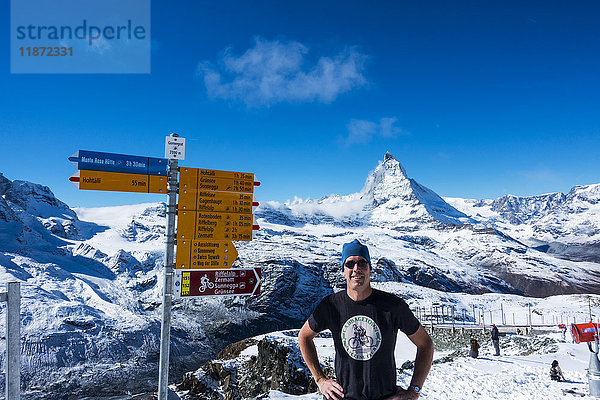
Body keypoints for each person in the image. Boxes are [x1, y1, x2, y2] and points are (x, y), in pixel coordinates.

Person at [298, 239, 434, 400]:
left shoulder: (393, 306)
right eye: (350, 264)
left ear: (370, 269)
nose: (356, 269)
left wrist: (414, 391)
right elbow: (304, 336)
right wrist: (320, 379)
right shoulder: (330, 305)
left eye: (362, 263)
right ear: (343, 270)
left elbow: (426, 344)